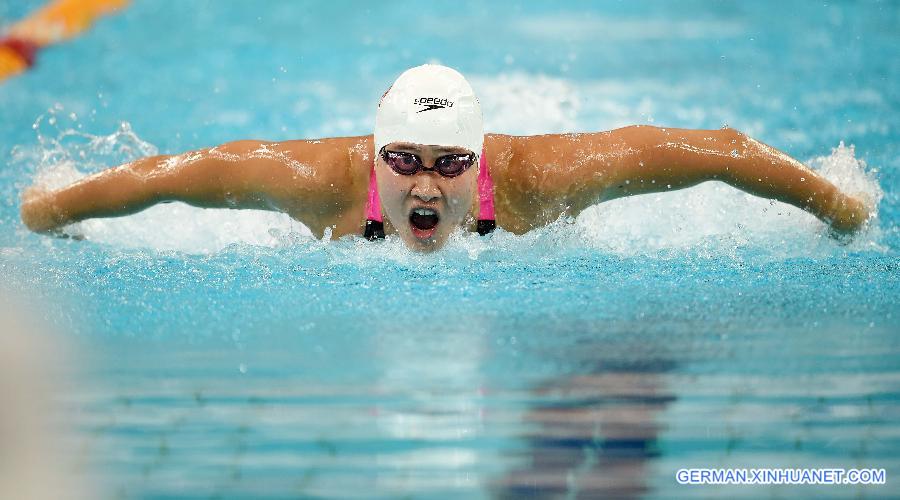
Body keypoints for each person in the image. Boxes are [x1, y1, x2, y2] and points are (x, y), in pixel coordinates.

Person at [20, 64, 872, 252]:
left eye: (450, 165)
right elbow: (170, 175)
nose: (425, 184)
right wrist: (52, 210)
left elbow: (716, 152)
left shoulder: (541, 180)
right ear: (375, 154)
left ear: (482, 162)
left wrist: (838, 208)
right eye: (404, 160)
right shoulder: (316, 183)